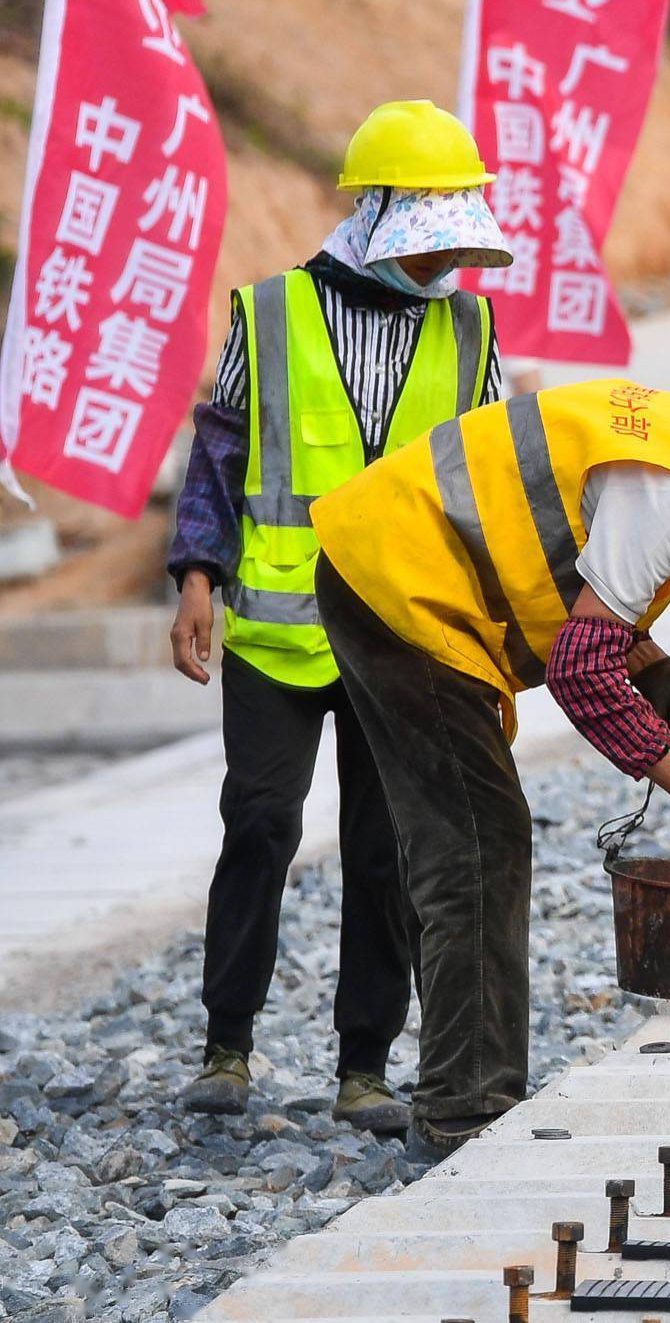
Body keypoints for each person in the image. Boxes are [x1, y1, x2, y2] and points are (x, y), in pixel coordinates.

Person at [309, 371, 670, 1154]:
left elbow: (571, 567)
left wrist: (651, 665)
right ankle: (461, 1115)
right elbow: (579, 672)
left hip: (394, 560)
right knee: (476, 847)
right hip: (402, 584)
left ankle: (465, 1095)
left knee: (476, 838)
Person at [163, 101, 510, 1135]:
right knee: (262, 821)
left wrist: (489, 645)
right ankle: (228, 1042)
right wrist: (195, 574)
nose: (451, 238)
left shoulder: (471, 326)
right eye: (434, 214)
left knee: (386, 845)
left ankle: (366, 1065)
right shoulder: (269, 311)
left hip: (405, 636)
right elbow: (220, 449)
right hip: (276, 630)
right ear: (378, 207)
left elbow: (488, 488)